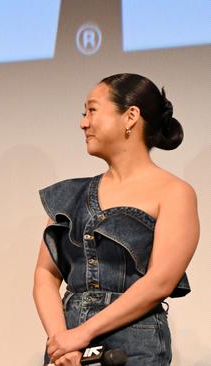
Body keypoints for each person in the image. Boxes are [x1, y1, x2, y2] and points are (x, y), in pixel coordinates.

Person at [33, 73, 199, 366]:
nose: (84, 122)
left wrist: (83, 334)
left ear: (131, 116)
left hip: (135, 345)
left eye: (93, 110)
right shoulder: (69, 195)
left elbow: (160, 282)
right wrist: (61, 341)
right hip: (67, 346)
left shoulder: (174, 193)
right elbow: (45, 275)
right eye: (84, 114)